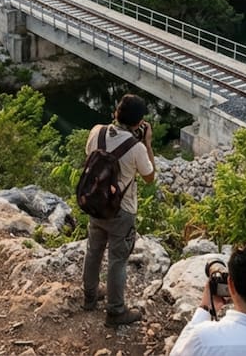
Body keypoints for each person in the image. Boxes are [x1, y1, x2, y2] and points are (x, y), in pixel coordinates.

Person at [82, 93, 156, 327]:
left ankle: (90, 296)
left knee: (93, 251)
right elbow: (149, 177)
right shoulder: (136, 148)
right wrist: (147, 143)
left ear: (116, 113)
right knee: (117, 260)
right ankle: (115, 311)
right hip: (121, 211)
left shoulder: (97, 131)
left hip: (95, 204)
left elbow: (89, 156)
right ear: (139, 122)